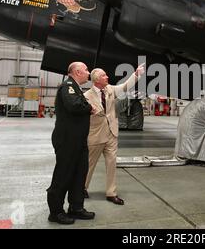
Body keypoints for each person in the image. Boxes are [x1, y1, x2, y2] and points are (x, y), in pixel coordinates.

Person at [84, 64, 145, 205]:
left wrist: (136, 74)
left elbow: (125, 86)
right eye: (104, 75)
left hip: (111, 133)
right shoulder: (86, 96)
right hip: (96, 135)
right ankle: (82, 188)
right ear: (97, 80)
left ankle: (111, 193)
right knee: (89, 164)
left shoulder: (110, 89)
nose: (107, 77)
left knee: (112, 164)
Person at [47, 62, 97, 225]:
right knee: (63, 175)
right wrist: (89, 107)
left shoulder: (76, 88)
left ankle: (76, 207)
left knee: (79, 174)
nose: (88, 73)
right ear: (77, 72)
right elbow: (74, 105)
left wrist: (86, 106)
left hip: (78, 140)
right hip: (67, 140)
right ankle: (56, 212)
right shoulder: (67, 86)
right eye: (86, 70)